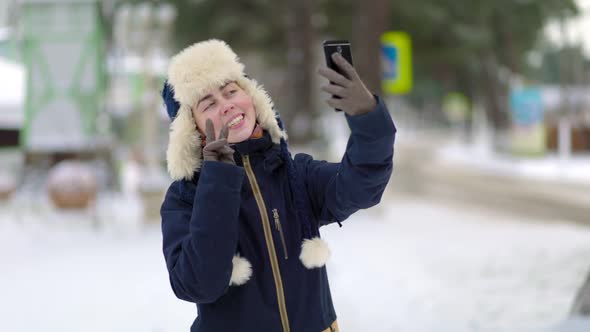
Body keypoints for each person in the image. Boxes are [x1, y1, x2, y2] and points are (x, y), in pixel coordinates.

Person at [160, 39, 396, 332]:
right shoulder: (184, 200)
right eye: (208, 104)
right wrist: (218, 180)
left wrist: (368, 118)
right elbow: (198, 284)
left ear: (252, 98)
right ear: (192, 130)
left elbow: (362, 186)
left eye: (232, 91)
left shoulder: (295, 175)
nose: (227, 105)